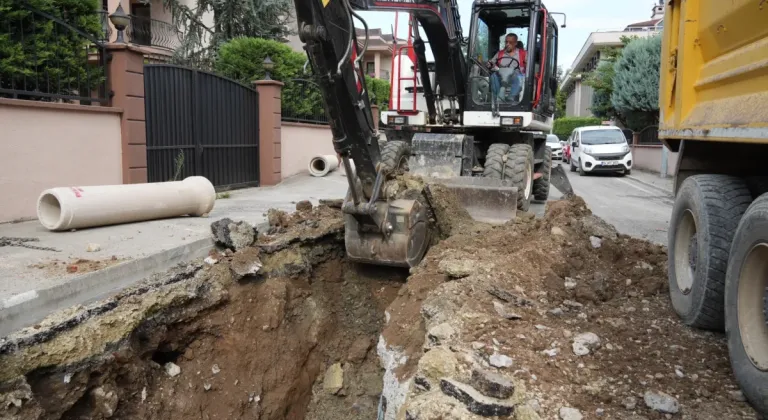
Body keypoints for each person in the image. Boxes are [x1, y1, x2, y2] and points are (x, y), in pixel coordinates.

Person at [489, 33, 527, 103]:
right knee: (493, 76)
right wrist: (490, 64)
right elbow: (491, 63)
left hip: (515, 76)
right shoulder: (500, 53)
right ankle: (498, 98)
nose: (507, 44)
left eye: (510, 42)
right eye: (506, 42)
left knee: (519, 76)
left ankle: (511, 97)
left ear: (515, 43)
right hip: (501, 75)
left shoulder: (523, 53)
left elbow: (529, 65)